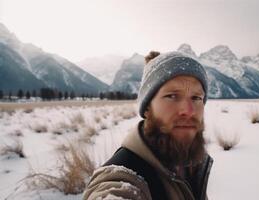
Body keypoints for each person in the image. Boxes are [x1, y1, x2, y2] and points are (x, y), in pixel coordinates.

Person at [83, 51, 213, 200]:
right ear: (147, 108)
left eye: (196, 98)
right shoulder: (123, 176)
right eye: (172, 96)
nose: (188, 111)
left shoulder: (189, 162)